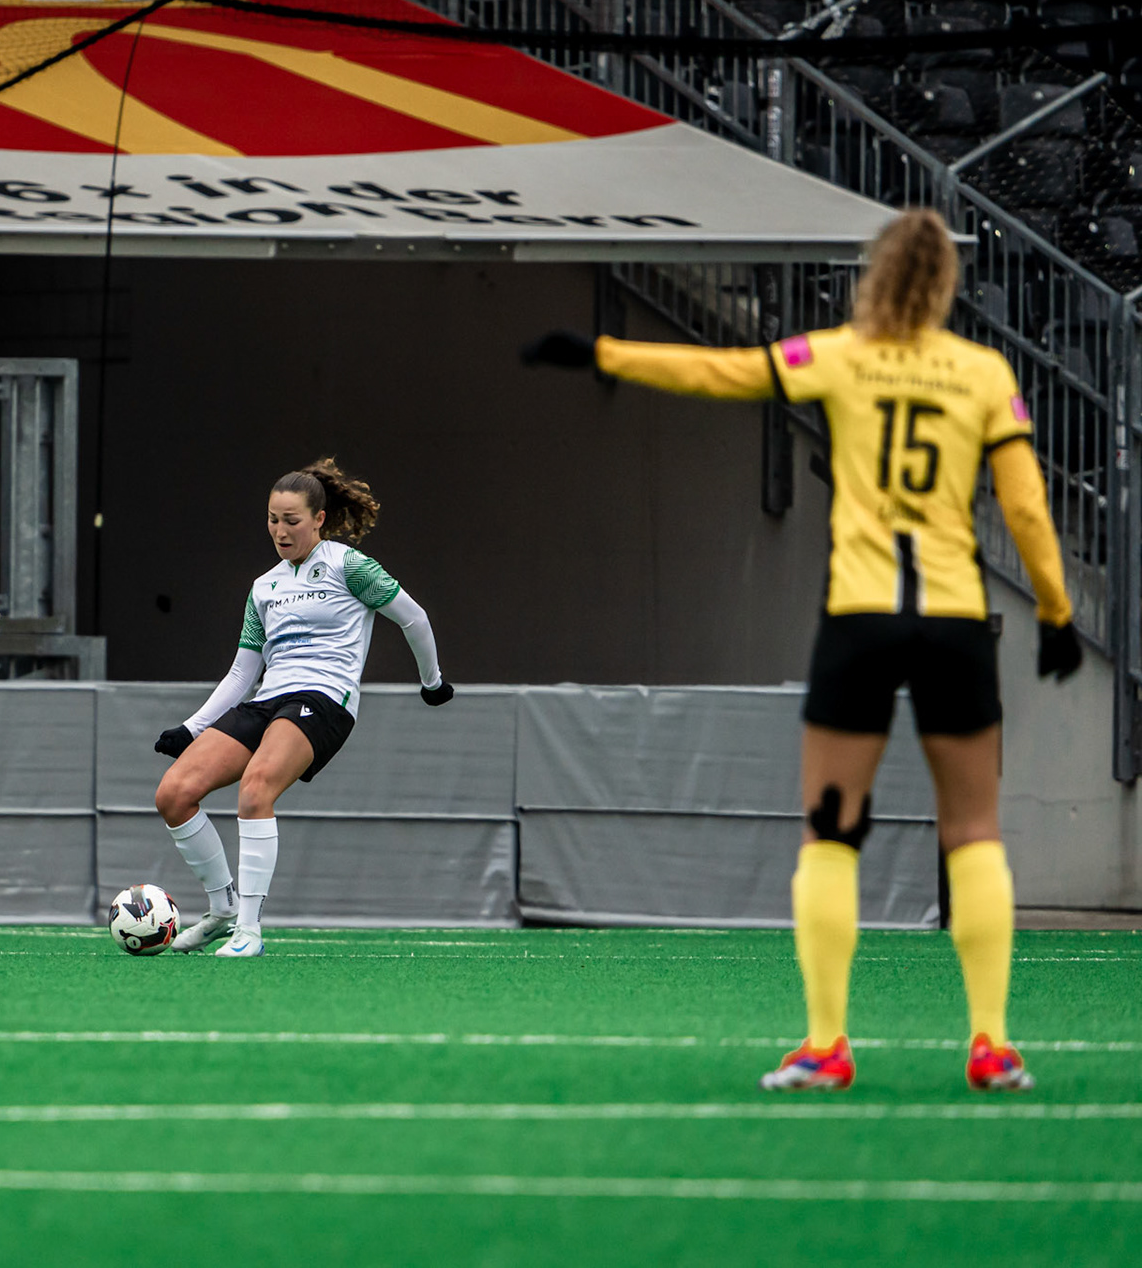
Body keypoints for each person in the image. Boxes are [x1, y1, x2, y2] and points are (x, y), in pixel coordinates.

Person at [522, 208, 1083, 1092]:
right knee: (974, 831)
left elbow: (723, 370)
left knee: (831, 833)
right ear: (944, 287)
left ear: (876, 273)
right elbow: (1024, 505)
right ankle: (992, 1042)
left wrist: (605, 354)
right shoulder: (982, 372)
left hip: (860, 618)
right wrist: (1055, 610)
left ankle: (827, 1044)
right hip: (953, 624)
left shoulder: (835, 354)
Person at [152, 457, 452, 958]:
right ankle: (223, 910)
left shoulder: (349, 565)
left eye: (292, 520)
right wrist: (191, 727)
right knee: (174, 793)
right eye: (272, 518)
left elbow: (414, 619)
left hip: (323, 700)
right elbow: (243, 673)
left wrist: (433, 682)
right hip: (269, 699)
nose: (280, 530)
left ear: (319, 518)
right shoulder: (264, 586)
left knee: (256, 788)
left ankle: (249, 930)